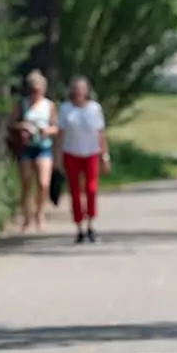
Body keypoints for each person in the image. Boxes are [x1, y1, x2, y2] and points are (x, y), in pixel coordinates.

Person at [57, 76, 110, 243]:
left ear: (87, 91)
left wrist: (105, 156)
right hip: (71, 152)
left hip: (91, 152)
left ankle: (91, 224)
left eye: (82, 89)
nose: (79, 92)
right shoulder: (66, 109)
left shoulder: (94, 109)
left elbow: (101, 134)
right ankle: (79, 226)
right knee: (75, 191)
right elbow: (61, 134)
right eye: (76, 89)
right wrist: (57, 157)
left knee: (91, 189)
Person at [11, 70, 59, 232]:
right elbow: (12, 123)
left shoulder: (49, 106)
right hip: (26, 147)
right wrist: (24, 126)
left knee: (44, 183)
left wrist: (47, 130)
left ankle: (40, 213)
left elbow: (56, 127)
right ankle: (27, 218)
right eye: (33, 89)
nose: (35, 93)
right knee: (26, 183)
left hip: (43, 146)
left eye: (38, 90)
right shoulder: (22, 104)